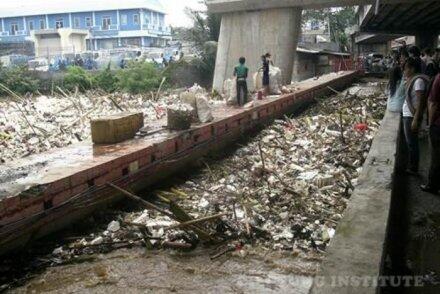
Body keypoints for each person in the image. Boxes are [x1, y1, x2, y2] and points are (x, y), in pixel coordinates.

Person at [402, 57, 430, 174]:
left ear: (412, 69)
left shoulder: (418, 81)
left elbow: (420, 102)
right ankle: (412, 165)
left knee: (412, 143)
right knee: (411, 142)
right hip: (408, 115)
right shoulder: (412, 80)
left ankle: (413, 168)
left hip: (411, 116)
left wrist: (416, 119)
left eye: (406, 69)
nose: (404, 71)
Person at [421, 73, 440, 194]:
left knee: (436, 157)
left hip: (438, 125)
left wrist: (430, 123)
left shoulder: (438, 78)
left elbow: (433, 104)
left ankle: (432, 185)